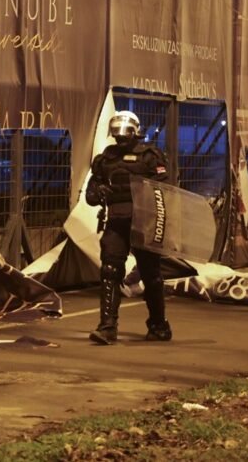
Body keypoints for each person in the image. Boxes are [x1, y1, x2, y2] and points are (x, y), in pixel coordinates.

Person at [84, 110, 172, 345]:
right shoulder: (106, 159)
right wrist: (99, 191)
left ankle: (159, 325)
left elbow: (165, 188)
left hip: (144, 222)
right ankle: (107, 328)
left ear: (135, 131)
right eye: (117, 132)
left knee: (151, 275)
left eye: (125, 131)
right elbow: (91, 193)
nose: (121, 137)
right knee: (110, 270)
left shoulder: (150, 157)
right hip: (117, 221)